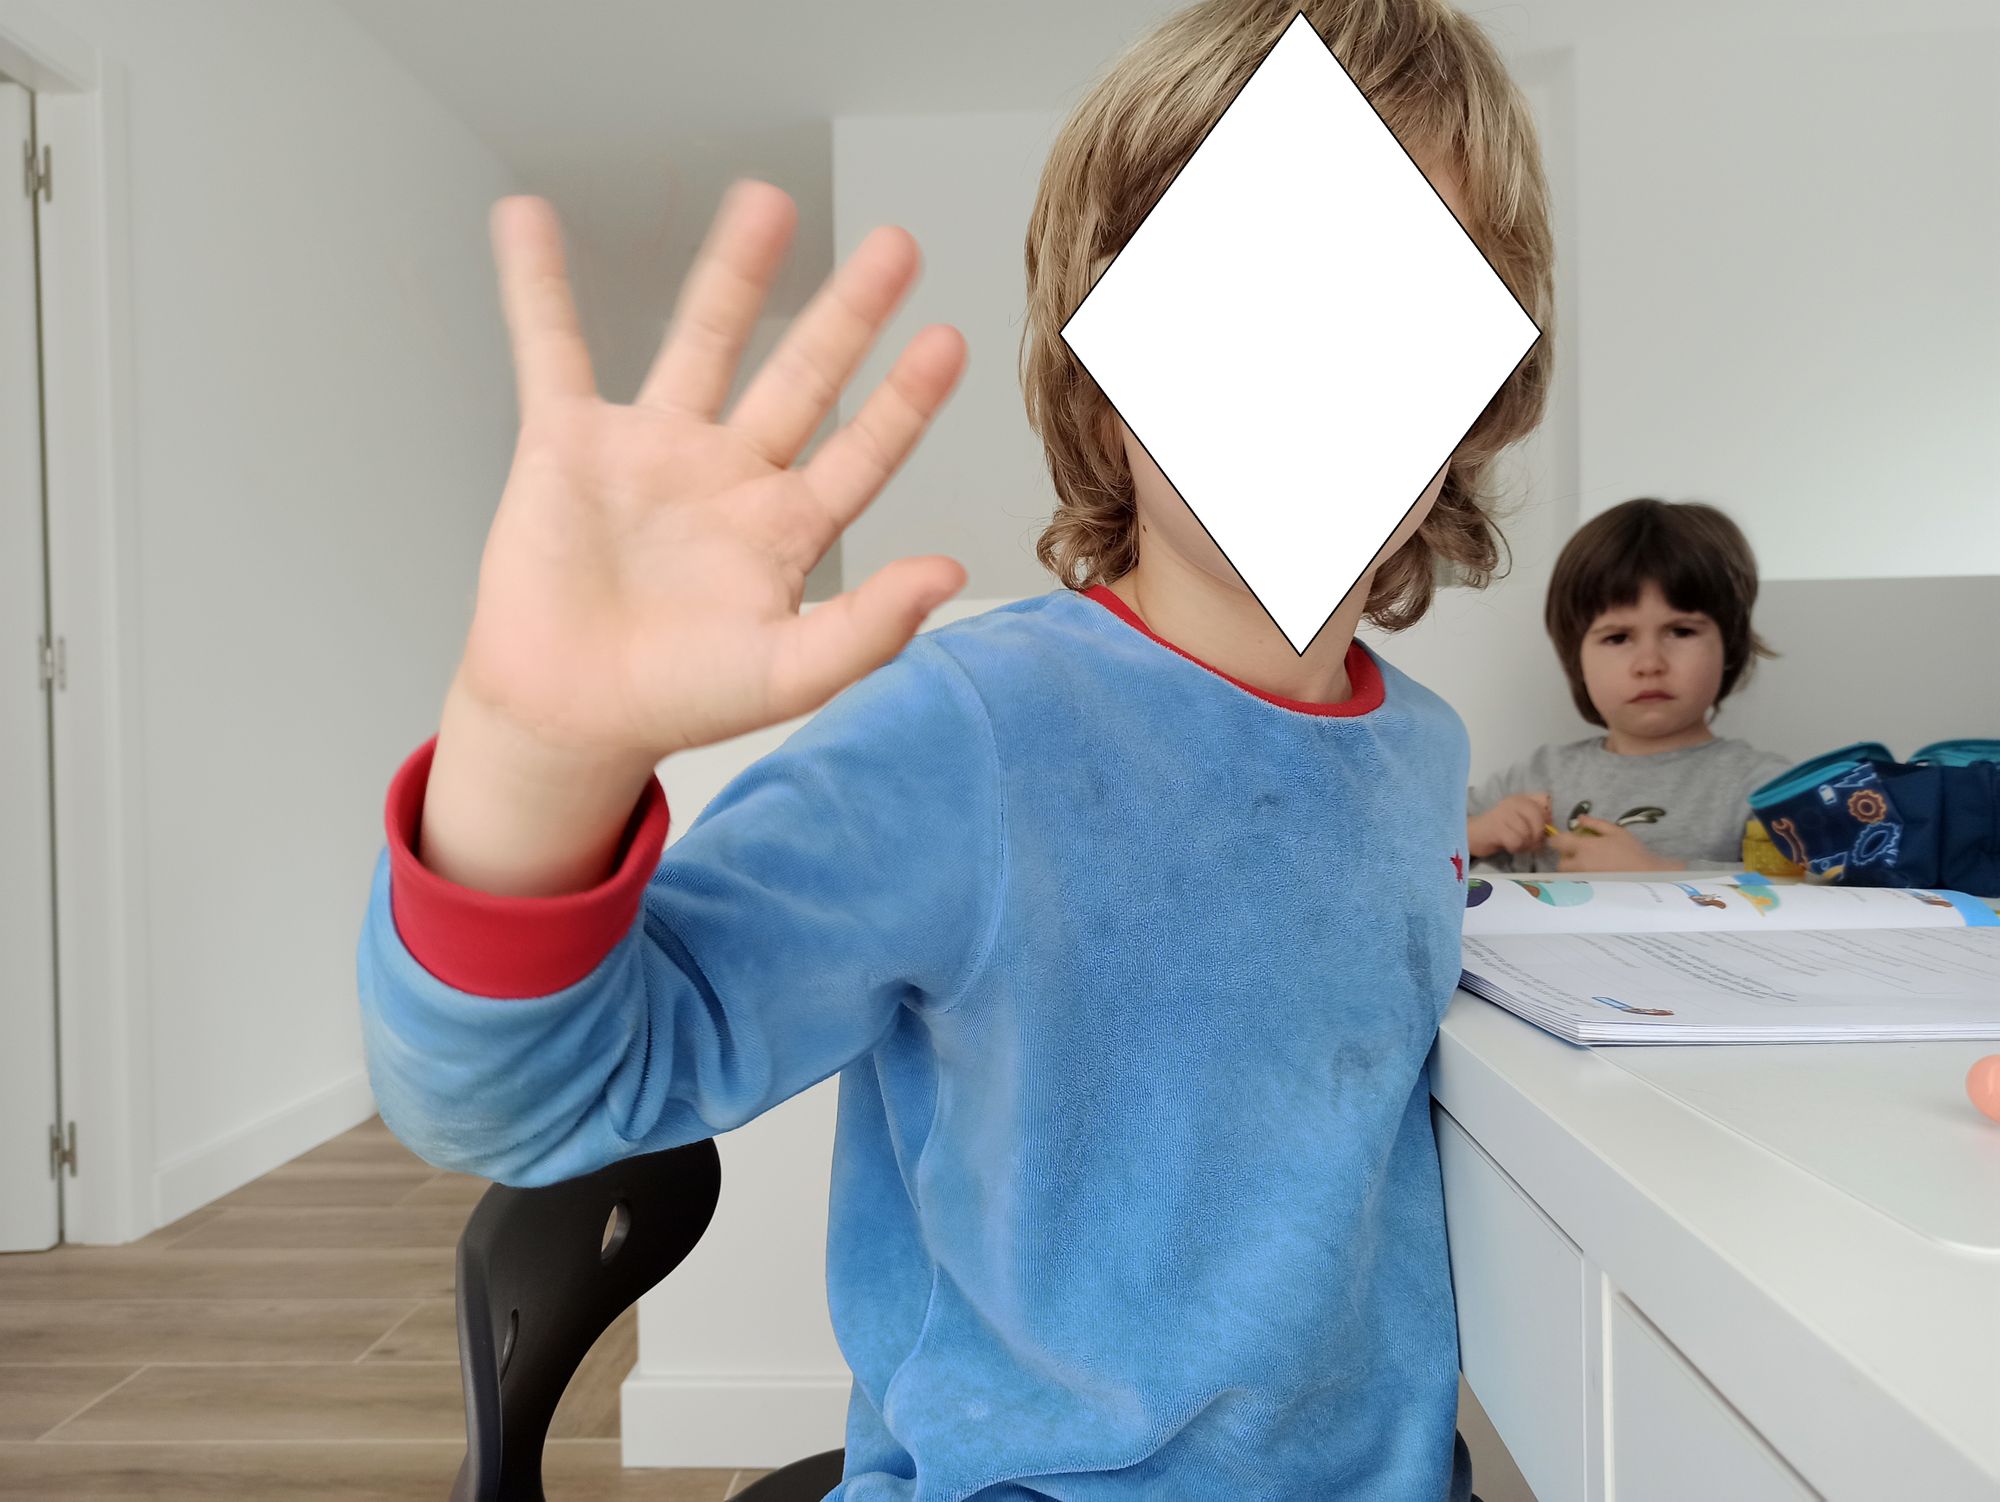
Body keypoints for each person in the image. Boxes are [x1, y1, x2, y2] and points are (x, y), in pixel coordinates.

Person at [356, 2, 1554, 1495]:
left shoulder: (1421, 748)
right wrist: (533, 757)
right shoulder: (972, 735)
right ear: (1104, 381)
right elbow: (520, 1093)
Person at [1466, 498, 1794, 875]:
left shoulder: (1766, 790)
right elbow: (1416, 840)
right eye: (1618, 638)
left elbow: (1814, 891)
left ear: (1730, 646)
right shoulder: (1536, 776)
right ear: (1577, 661)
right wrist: (1476, 833)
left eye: (1681, 631)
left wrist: (1656, 871)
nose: (1649, 664)